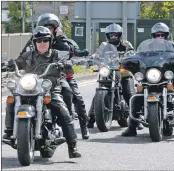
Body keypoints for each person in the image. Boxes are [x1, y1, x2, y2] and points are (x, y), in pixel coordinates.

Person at [3, 26, 82, 158]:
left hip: (50, 89)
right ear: (34, 43)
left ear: (50, 41)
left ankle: (72, 146)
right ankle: (10, 131)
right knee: (11, 99)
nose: (42, 43)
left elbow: (69, 69)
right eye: (39, 41)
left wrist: (65, 65)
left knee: (63, 111)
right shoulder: (28, 55)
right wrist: (9, 64)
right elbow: (17, 63)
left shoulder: (56, 55)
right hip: (29, 88)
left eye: (45, 40)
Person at [21, 13, 90, 139]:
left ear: (57, 28)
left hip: (62, 75)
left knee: (73, 95)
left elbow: (70, 52)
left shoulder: (63, 40)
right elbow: (22, 56)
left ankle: (81, 126)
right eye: (45, 27)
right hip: (38, 78)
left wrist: (60, 38)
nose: (48, 30)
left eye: (51, 28)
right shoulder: (35, 39)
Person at [121, 22, 174, 136]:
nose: (160, 37)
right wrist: (131, 56)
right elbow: (138, 55)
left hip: (166, 75)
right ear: (153, 35)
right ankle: (132, 127)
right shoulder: (147, 46)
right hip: (150, 76)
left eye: (162, 35)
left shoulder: (173, 45)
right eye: (157, 35)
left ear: (166, 35)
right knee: (138, 96)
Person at [87, 23, 144, 130]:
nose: (113, 37)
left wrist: (130, 56)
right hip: (109, 71)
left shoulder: (126, 44)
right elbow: (97, 55)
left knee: (129, 92)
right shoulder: (104, 45)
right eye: (111, 35)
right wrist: (91, 59)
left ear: (119, 35)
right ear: (107, 35)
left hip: (123, 72)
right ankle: (90, 118)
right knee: (98, 92)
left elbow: (132, 52)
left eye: (115, 35)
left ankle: (137, 118)